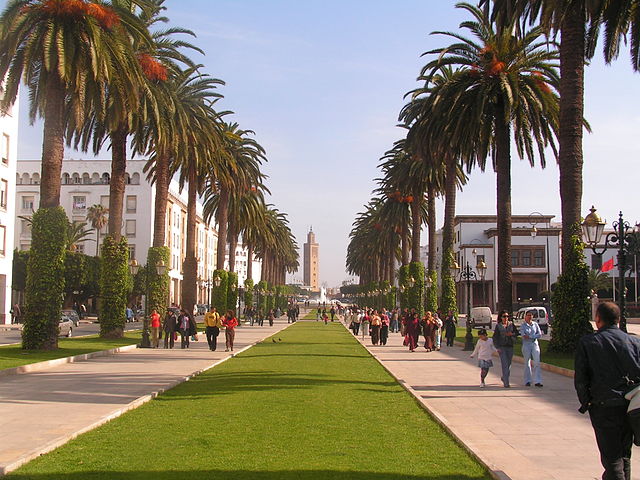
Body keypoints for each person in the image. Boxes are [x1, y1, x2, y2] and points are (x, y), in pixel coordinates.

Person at [575, 302, 640, 480]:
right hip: (630, 407)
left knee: (611, 458)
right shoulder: (635, 342)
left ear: (598, 319)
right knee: (624, 454)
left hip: (604, 407)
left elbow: (581, 378)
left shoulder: (588, 342)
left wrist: (587, 402)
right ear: (618, 320)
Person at [492, 310, 518, 388]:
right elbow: (495, 337)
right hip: (502, 347)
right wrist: (497, 347)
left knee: (509, 364)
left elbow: (516, 333)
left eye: (507, 316)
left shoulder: (511, 325)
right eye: (504, 316)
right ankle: (506, 382)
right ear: (501, 317)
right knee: (504, 364)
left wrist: (511, 334)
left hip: (510, 346)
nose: (506, 318)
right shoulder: (498, 326)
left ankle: (504, 377)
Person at [521, 311, 543, 387]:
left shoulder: (535, 325)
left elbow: (539, 334)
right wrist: (533, 336)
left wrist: (531, 336)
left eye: (531, 315)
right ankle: (528, 380)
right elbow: (523, 335)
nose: (529, 317)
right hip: (526, 345)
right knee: (527, 363)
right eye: (528, 315)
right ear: (525, 316)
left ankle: (538, 381)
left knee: (537, 362)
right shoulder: (523, 325)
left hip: (534, 344)